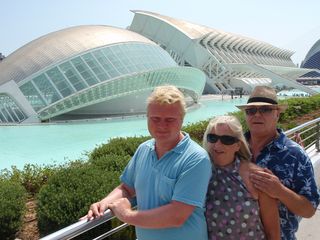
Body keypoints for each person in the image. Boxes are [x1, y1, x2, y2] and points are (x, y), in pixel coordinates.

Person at [84, 85, 212, 240]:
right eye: (155, 119)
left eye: (170, 120)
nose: (162, 125)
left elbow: (176, 215)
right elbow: (127, 188)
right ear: (147, 117)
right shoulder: (144, 149)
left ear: (182, 120)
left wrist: (127, 215)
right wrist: (104, 203)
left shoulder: (196, 158)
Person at [236, 85, 320, 240]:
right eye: (251, 110)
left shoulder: (295, 155)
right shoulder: (234, 149)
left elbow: (309, 209)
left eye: (265, 110)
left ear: (277, 114)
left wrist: (279, 191)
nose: (257, 115)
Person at [203, 115, 280, 239]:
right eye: (213, 138)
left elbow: (273, 232)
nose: (217, 145)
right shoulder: (199, 173)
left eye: (227, 139)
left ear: (238, 145)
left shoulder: (255, 176)